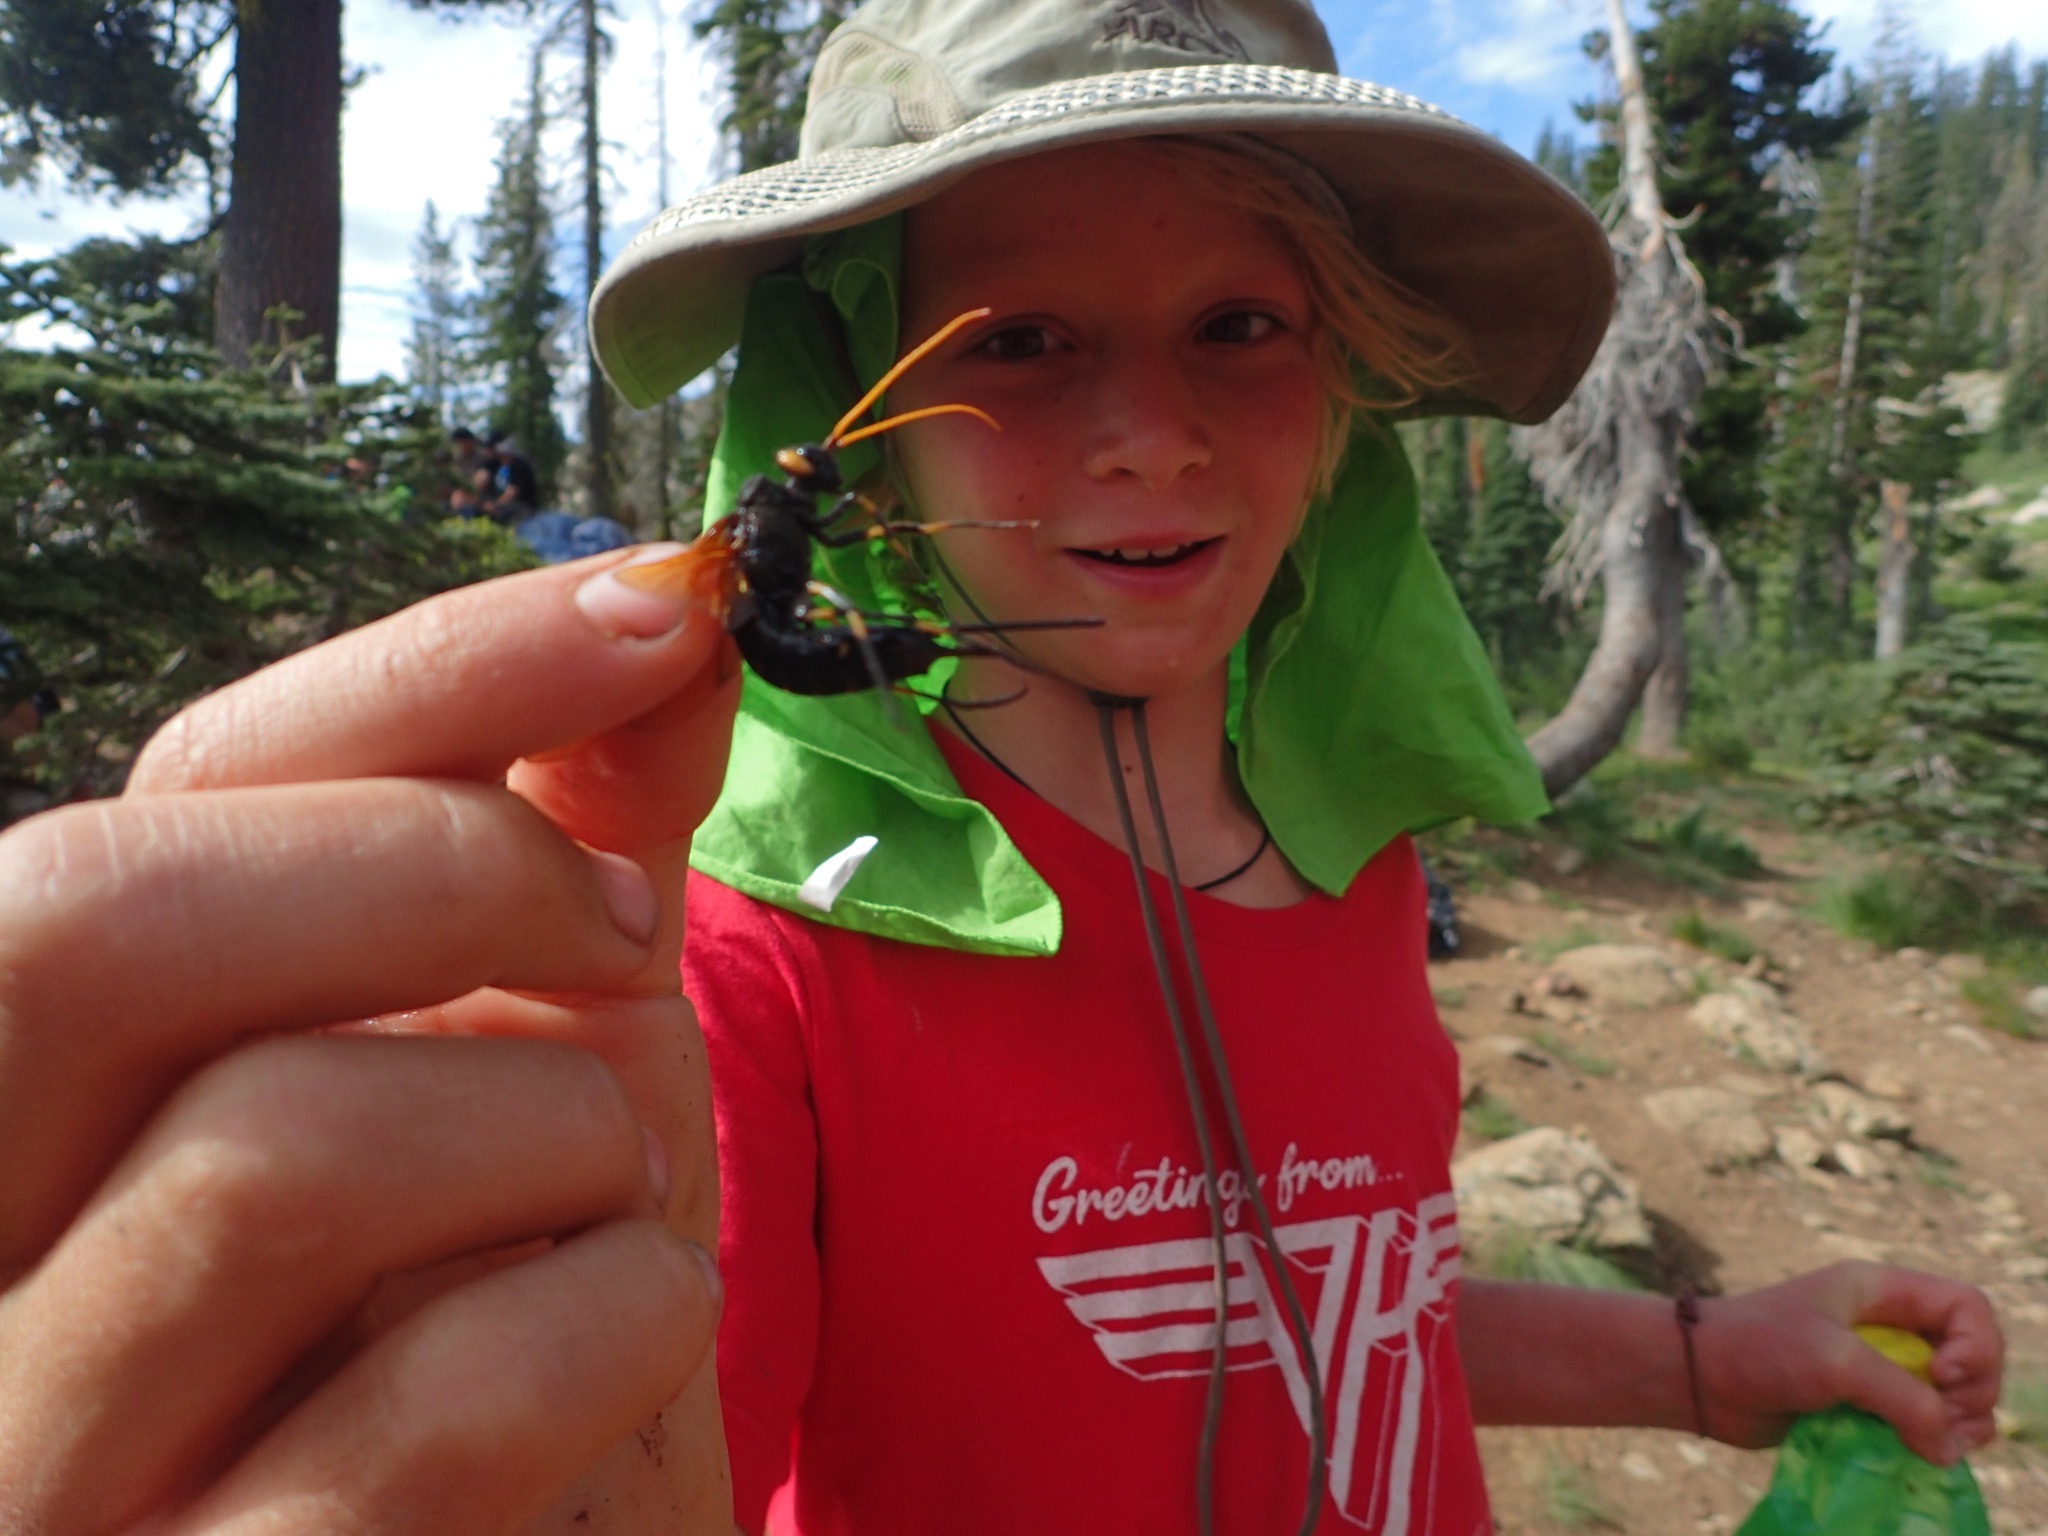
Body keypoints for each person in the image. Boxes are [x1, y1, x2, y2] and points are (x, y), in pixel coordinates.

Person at [0, 4, 2002, 1536]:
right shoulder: (736, 970)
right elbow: (647, 1460)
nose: (1147, 431)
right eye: (1021, 341)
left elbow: (1303, 1313)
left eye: (1239, 322)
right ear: (856, 427)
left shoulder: (1342, 868)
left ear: (1346, 402)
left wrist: (1694, 1355)